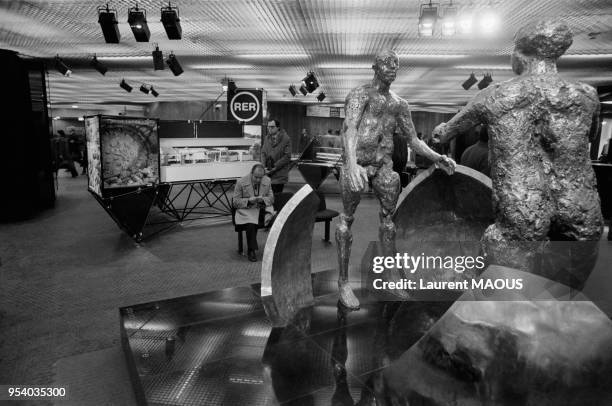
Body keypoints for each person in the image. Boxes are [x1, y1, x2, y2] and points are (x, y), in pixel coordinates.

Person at [433, 20, 603, 284]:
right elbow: (590, 136)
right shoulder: (587, 95)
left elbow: (443, 134)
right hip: (580, 205)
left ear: (519, 55)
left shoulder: (494, 95)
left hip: (523, 203)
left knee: (504, 295)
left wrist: (440, 131)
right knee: (565, 298)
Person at [336, 50, 456, 309]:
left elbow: (413, 140)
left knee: (389, 221)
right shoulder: (359, 95)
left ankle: (390, 275)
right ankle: (343, 282)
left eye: (395, 65)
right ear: (375, 67)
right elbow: (351, 128)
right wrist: (353, 164)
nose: (391, 68)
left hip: (383, 166)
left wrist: (437, 157)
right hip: (355, 163)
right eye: (386, 64)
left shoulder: (399, 104)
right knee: (346, 220)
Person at [233, 164, 274, 262]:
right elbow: (235, 202)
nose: (259, 180)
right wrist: (248, 201)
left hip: (262, 209)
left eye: (261, 177)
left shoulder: (267, 180)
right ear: (251, 173)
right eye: (256, 177)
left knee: (279, 220)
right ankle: (251, 250)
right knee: (251, 224)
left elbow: (271, 199)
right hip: (246, 211)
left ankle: (277, 248)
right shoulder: (240, 182)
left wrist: (262, 199)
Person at [261, 119, 292, 193]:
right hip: (267, 174)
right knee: (267, 198)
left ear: (278, 127)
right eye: (268, 127)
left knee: (276, 199)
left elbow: (287, 156)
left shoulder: (286, 139)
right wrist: (263, 167)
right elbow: (263, 153)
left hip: (279, 175)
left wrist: (274, 167)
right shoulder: (266, 138)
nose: (269, 129)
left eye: (272, 127)